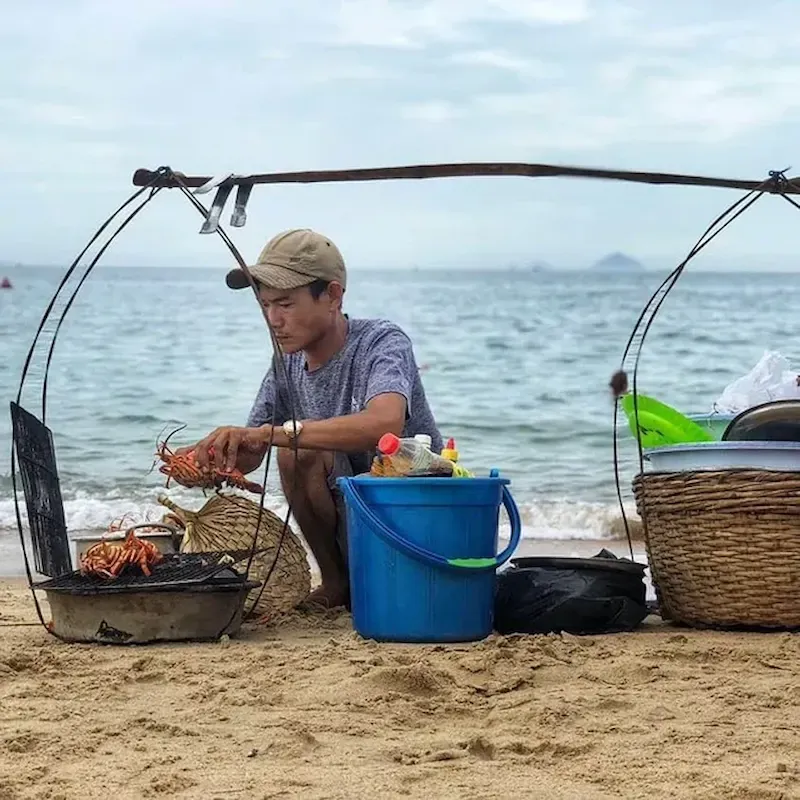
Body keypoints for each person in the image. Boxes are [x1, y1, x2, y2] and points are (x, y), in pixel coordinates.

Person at [186, 228, 442, 610]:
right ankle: (337, 583)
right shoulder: (286, 361)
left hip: (412, 520)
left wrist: (278, 433)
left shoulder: (381, 341)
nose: (273, 319)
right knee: (291, 449)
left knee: (295, 451)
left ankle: (346, 584)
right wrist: (211, 460)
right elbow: (255, 449)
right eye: (265, 305)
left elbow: (383, 423)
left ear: (333, 296)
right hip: (351, 517)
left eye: (285, 304)